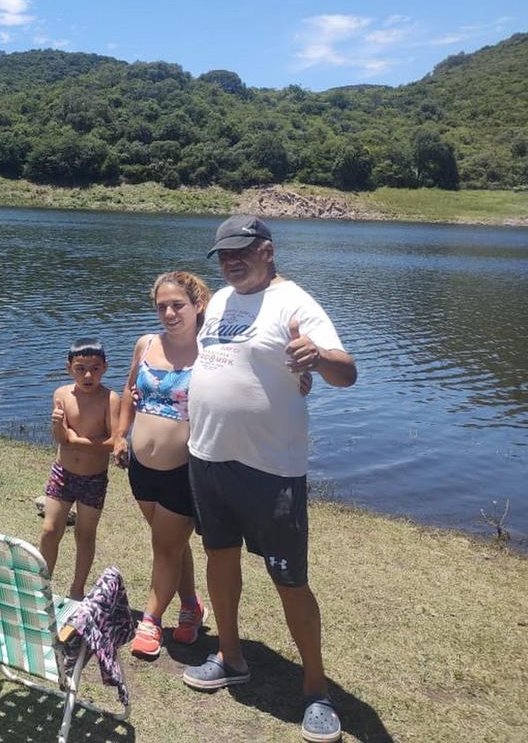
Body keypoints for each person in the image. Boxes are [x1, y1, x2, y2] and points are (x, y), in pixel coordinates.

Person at [182, 216, 357, 743]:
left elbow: (346, 371)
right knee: (219, 556)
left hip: (271, 469)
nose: (232, 262)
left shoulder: (295, 303)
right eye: (224, 255)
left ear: (268, 251)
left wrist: (319, 358)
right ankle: (231, 656)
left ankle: (316, 690)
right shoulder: (218, 301)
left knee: (289, 579)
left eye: (242, 252)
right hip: (207, 457)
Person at [109, 271, 212, 658]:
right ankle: (191, 607)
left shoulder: (211, 352)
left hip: (182, 472)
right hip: (141, 468)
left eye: (178, 305)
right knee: (172, 542)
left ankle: (151, 620)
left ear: (198, 305)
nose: (169, 313)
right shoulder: (146, 343)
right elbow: (129, 391)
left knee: (165, 547)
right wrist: (121, 435)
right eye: (162, 306)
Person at [40, 338, 120, 600]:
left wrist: (77, 441)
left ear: (105, 368)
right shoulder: (62, 394)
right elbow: (61, 439)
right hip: (63, 473)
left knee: (85, 535)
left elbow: (112, 442)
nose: (88, 375)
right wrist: (58, 426)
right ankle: (42, 586)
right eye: (80, 368)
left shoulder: (110, 399)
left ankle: (77, 589)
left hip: (93, 479)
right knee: (50, 530)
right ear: (69, 368)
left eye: (95, 369)